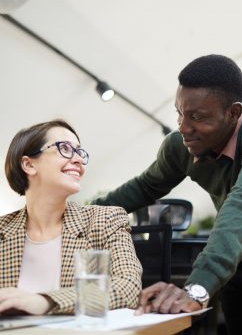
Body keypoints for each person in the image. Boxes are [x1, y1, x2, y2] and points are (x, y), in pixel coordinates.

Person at [93, 54, 242, 334]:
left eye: (197, 117)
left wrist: (198, 288)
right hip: (235, 263)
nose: (183, 127)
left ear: (232, 113)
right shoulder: (179, 146)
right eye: (180, 113)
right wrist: (81, 215)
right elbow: (144, 187)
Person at [0, 120, 142, 315]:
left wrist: (45, 301)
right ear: (29, 164)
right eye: (65, 148)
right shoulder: (2, 231)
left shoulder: (105, 220)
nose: (78, 160)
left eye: (79, 152)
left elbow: (128, 288)